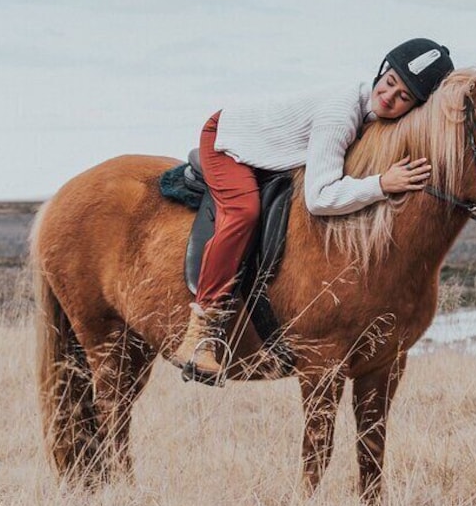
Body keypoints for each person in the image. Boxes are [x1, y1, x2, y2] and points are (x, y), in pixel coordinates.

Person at [173, 38, 455, 385]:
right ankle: (199, 334)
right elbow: (319, 197)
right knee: (242, 211)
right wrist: (382, 184)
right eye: (391, 82)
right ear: (382, 71)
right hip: (227, 141)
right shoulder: (340, 114)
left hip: (271, 151)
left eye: (403, 97)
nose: (389, 96)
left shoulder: (375, 122)